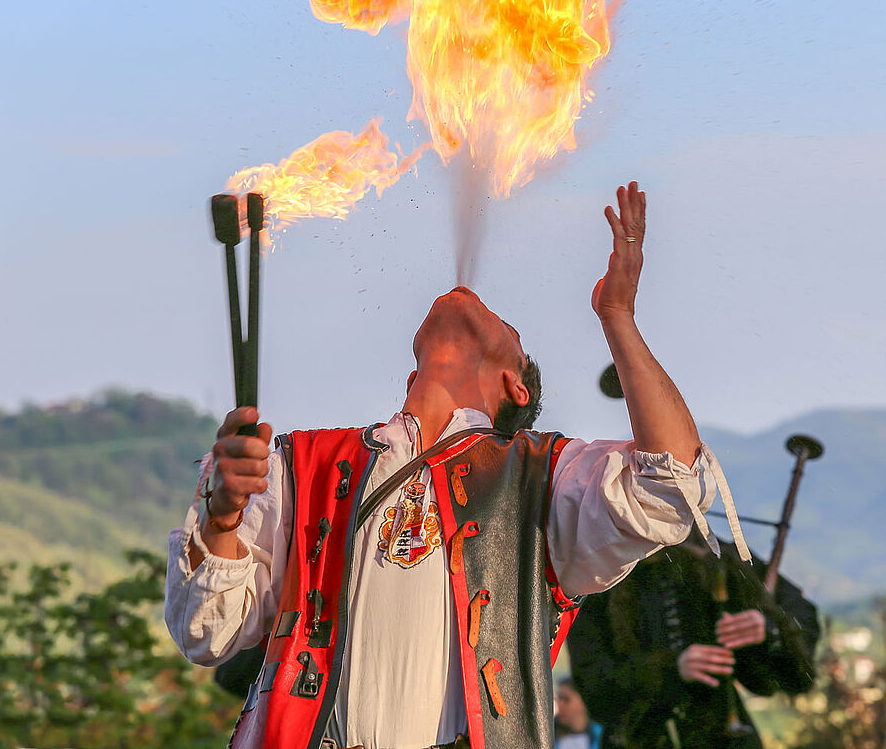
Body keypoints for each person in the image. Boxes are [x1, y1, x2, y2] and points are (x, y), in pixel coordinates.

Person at [164, 181, 753, 749]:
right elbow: (207, 631)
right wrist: (221, 516)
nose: (470, 298)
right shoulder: (300, 464)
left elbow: (671, 484)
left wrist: (617, 316)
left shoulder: (540, 482)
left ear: (514, 387)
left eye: (508, 327)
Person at [566, 526, 820, 749]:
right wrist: (670, 669)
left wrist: (769, 627)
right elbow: (593, 683)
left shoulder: (718, 557)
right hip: (638, 738)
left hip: (725, 736)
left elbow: (802, 618)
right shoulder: (597, 577)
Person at [555, 678, 603, 749]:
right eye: (559, 698)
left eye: (566, 699)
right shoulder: (547, 734)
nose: (559, 704)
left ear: (584, 701)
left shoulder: (603, 735)